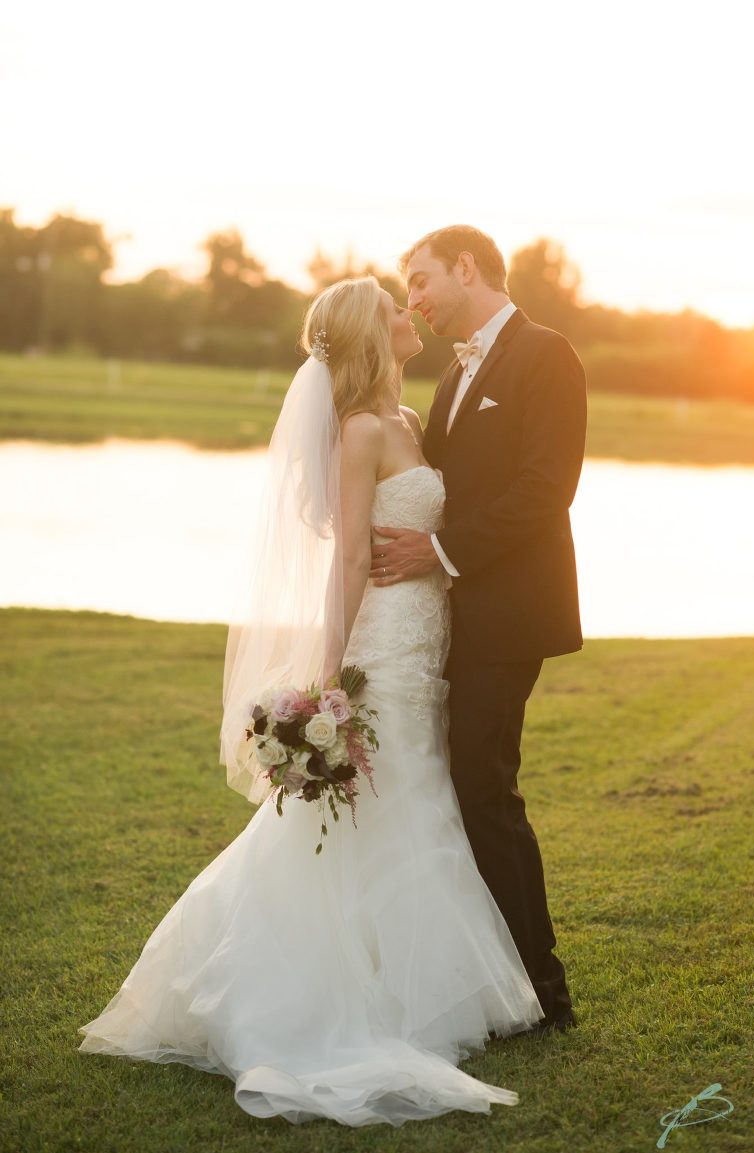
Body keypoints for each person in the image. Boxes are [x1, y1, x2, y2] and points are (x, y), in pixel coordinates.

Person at [78, 275, 544, 1127]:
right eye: (396, 311)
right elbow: (350, 562)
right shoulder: (361, 432)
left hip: (429, 637)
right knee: (388, 805)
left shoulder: (408, 419)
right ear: (373, 333)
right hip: (383, 646)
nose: (411, 316)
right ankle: (336, 996)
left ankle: (406, 982)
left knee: (414, 798)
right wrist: (329, 678)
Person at [371, 226, 587, 1031]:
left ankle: (544, 990)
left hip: (509, 614)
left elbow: (545, 490)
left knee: (485, 790)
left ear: (468, 267)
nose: (415, 300)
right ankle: (490, 979)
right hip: (448, 618)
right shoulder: (455, 373)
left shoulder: (546, 353)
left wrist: (437, 549)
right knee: (461, 789)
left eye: (422, 280)